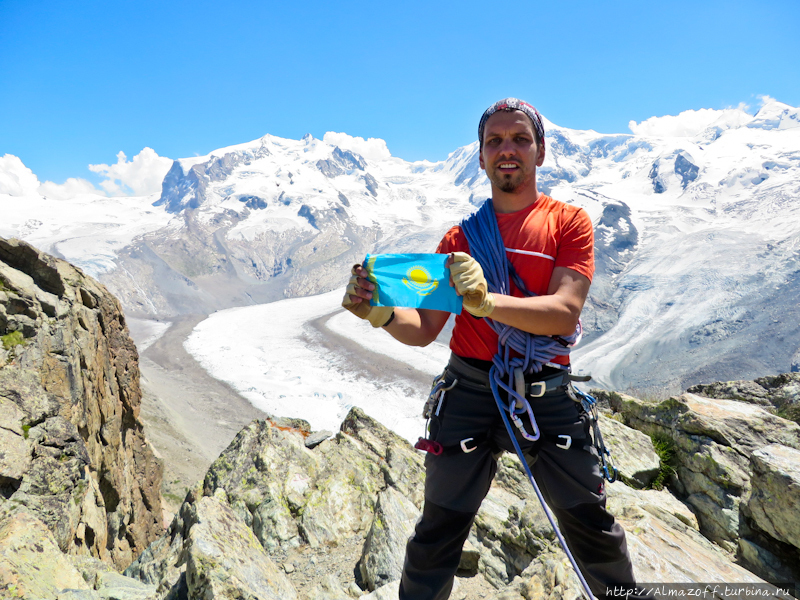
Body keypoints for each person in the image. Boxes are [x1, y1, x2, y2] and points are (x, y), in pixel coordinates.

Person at [342, 98, 639, 600]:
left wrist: (485, 302)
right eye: (494, 141)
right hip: (469, 389)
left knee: (591, 527)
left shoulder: (568, 224)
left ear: (540, 151)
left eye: (520, 138)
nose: (508, 150)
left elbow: (565, 310)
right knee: (437, 530)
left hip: (543, 390)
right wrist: (379, 312)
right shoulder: (459, 239)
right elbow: (423, 328)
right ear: (479, 158)